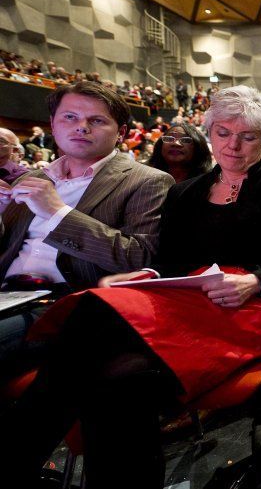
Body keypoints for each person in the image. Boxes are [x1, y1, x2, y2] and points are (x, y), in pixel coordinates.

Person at [0, 85, 261, 488]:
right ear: (209, 133)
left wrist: (257, 279)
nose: (233, 146)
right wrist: (146, 275)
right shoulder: (186, 192)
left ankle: (10, 458)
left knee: (94, 316)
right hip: (188, 299)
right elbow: (168, 262)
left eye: (248, 136)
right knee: (117, 378)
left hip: (255, 304)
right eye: (223, 133)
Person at [0, 81, 173, 378]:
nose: (81, 127)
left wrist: (57, 212)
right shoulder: (31, 179)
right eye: (70, 117)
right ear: (53, 125)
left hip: (67, 302)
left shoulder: (147, 181)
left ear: (121, 133)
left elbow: (139, 258)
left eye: (96, 120)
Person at [145, 122, 212, 183]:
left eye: (185, 140)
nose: (176, 144)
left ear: (198, 148)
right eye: (169, 138)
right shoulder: (144, 175)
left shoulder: (210, 183)